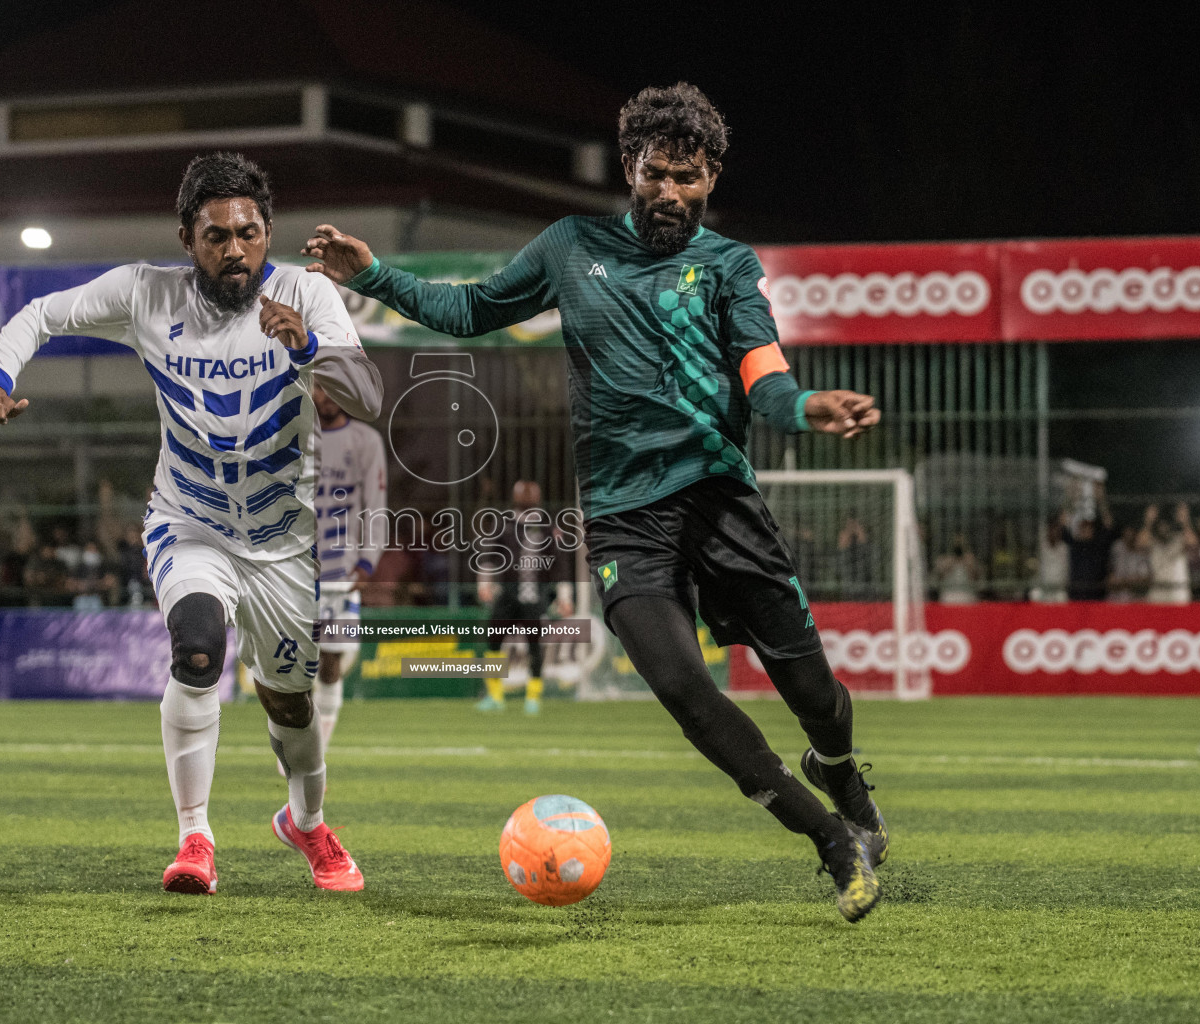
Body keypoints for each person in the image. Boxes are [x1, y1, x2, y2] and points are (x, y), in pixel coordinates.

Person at [305, 83, 882, 922]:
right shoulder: (573, 247)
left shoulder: (726, 265)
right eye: (655, 174)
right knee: (685, 690)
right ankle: (832, 840)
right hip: (622, 517)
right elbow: (472, 309)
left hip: (720, 501)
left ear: (711, 178)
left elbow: (763, 371)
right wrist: (380, 277)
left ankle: (842, 776)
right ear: (631, 169)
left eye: (687, 177)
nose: (669, 193)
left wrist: (803, 408)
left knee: (816, 693)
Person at [0, 152, 382, 896]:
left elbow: (369, 394)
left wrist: (308, 349)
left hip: (284, 541)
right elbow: (41, 314)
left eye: (249, 232)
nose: (235, 249)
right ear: (187, 239)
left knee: (291, 701)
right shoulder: (143, 294)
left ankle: (307, 823)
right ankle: (195, 839)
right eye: (216, 236)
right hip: (189, 521)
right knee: (196, 652)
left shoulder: (307, 294)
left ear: (268, 231)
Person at [310, 382, 386, 750]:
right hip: (294, 565)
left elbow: (376, 505)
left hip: (340, 568)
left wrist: (368, 562)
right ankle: (296, 738)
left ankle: (316, 753)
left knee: (330, 659)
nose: (326, 396)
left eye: (333, 388)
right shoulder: (293, 437)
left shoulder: (365, 442)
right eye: (319, 387)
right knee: (290, 662)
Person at [476, 480, 574, 715]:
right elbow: (489, 555)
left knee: (535, 647)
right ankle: (496, 695)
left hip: (534, 597)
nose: (527, 499)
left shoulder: (547, 526)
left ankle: (533, 698)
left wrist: (564, 596)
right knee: (493, 642)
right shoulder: (505, 522)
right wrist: (485, 582)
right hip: (508, 594)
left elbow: (559, 565)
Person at [1138, 503, 1198, 605]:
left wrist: (1185, 522)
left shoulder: (1179, 539)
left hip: (1178, 593)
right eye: (1161, 525)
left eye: (1166, 525)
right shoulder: (1153, 541)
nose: (1163, 528)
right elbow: (1140, 543)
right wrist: (1148, 522)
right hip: (1158, 592)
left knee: (1181, 621)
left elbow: (1193, 543)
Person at [1065, 485, 1115, 601]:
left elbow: (1109, 524)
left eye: (1089, 527)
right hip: (1076, 597)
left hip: (1097, 597)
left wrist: (1101, 500)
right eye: (1083, 527)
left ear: (1093, 530)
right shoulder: (1075, 545)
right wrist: (1072, 497)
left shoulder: (1099, 545)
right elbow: (1064, 523)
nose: (1086, 530)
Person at [1105, 524, 1150, 602]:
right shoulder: (1117, 546)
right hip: (1115, 597)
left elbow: (1145, 578)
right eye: (1127, 531)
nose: (1129, 534)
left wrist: (1125, 582)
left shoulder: (1141, 553)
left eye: (1131, 531)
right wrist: (1111, 576)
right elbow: (1110, 569)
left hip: (1133, 599)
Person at [934, 534, 982, 605]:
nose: (958, 544)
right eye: (956, 542)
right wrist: (949, 564)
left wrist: (969, 565)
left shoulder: (970, 559)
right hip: (948, 594)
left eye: (961, 543)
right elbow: (937, 580)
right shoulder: (943, 559)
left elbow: (978, 580)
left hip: (967, 594)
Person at [1032, 515, 1069, 603]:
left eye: (1056, 531)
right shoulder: (1043, 546)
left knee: (1063, 598)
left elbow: (1066, 570)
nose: (1054, 533)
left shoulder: (1064, 548)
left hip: (1058, 589)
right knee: (1034, 594)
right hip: (1044, 588)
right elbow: (1041, 532)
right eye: (1052, 530)